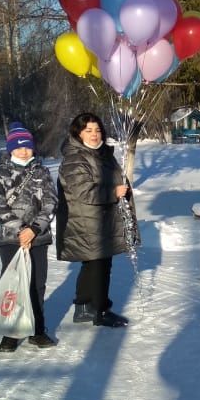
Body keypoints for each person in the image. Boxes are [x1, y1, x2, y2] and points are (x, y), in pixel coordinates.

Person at [56, 112, 132, 327]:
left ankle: (83, 307)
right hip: (86, 221)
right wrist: (113, 192)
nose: (94, 135)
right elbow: (83, 192)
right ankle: (100, 311)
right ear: (78, 133)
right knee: (98, 265)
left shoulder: (103, 154)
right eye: (88, 130)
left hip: (101, 219)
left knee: (94, 264)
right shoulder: (75, 158)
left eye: (97, 130)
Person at [0, 122, 58, 352]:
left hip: (38, 237)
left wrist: (34, 229)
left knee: (37, 284)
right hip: (11, 238)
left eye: (27, 147)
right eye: (18, 147)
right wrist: (20, 229)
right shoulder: (0, 172)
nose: (23, 151)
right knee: (13, 284)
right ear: (10, 149)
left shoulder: (42, 171)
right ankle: (10, 333)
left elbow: (50, 202)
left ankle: (37, 330)